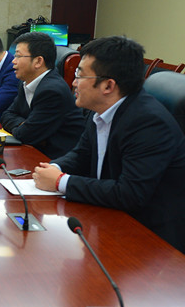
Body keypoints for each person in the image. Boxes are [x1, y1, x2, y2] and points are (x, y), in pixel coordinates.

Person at [33, 35, 185, 253]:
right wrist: (55, 168)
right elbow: (82, 154)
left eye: (80, 76)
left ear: (108, 85)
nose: (74, 83)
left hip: (150, 240)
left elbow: (130, 193)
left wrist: (60, 181)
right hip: (110, 216)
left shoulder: (148, 122)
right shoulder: (100, 110)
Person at [0, 32, 85, 158]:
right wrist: (23, 125)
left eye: (18, 56)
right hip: (33, 151)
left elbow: (26, 135)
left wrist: (24, 127)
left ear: (38, 61)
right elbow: (7, 115)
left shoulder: (52, 91)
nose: (13, 61)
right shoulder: (25, 82)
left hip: (55, 159)